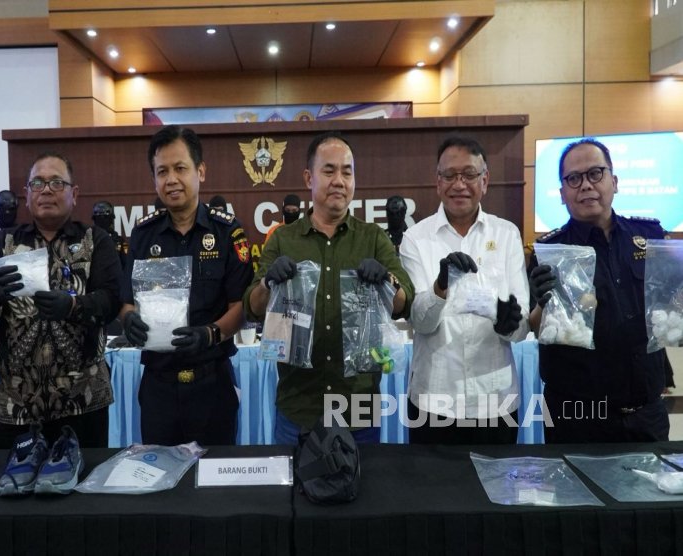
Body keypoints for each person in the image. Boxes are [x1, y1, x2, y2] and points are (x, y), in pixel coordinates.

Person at [244, 131, 413, 444]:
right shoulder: (283, 239)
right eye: (329, 171)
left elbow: (405, 302)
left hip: (359, 410)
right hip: (299, 408)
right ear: (309, 177)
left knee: (365, 478)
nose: (339, 181)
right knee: (294, 479)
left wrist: (386, 281)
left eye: (347, 172)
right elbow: (252, 308)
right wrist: (269, 282)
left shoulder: (373, 238)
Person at [0, 151, 121, 449]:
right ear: (26, 195)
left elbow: (112, 301)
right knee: (15, 478)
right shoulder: (3, 243)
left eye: (56, 182)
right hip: (17, 406)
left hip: (84, 402)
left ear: (74, 194)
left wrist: (73, 306)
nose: (46, 190)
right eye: (37, 183)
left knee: (83, 478)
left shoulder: (95, 240)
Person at [528, 137, 670, 443]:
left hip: (646, 412)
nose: (586, 185)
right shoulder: (549, 251)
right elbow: (536, 328)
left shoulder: (650, 237)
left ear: (614, 182)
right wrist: (543, 304)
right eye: (574, 178)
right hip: (577, 414)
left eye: (595, 173)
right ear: (562, 193)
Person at [120, 125, 254, 445]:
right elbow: (126, 301)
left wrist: (210, 334)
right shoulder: (142, 235)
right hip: (158, 387)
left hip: (212, 384)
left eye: (180, 168)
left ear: (200, 171)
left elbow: (242, 307)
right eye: (162, 171)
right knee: (158, 472)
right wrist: (128, 320)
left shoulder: (227, 232)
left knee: (214, 475)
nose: (171, 179)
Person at [399, 136, 528, 444]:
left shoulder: (507, 234)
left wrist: (508, 322)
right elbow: (420, 323)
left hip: (496, 400)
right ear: (438, 182)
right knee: (430, 478)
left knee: (497, 478)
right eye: (449, 175)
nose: (459, 184)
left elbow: (521, 327)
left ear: (485, 180)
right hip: (433, 399)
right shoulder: (415, 238)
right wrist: (440, 287)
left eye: (469, 174)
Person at [92, 200, 129, 270]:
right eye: (99, 218)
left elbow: (127, 264)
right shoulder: (87, 241)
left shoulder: (120, 242)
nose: (102, 221)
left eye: (105, 217)